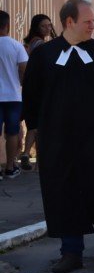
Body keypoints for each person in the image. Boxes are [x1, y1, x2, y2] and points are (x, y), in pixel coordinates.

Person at [22, 0, 94, 273]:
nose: (93, 25)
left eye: (93, 21)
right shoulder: (43, 55)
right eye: (88, 21)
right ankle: (71, 252)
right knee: (64, 193)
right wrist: (36, 130)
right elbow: (32, 95)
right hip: (57, 140)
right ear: (69, 22)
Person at [19, 14, 55, 171]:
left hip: (29, 89)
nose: (47, 28)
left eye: (49, 25)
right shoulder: (40, 45)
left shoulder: (29, 43)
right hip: (39, 89)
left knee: (34, 124)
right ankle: (38, 161)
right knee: (40, 125)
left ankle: (28, 154)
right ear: (36, 27)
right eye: (43, 26)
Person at [0, 10, 28, 179]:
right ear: (7, 25)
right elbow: (25, 68)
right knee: (12, 132)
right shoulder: (16, 46)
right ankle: (10, 167)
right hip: (13, 96)